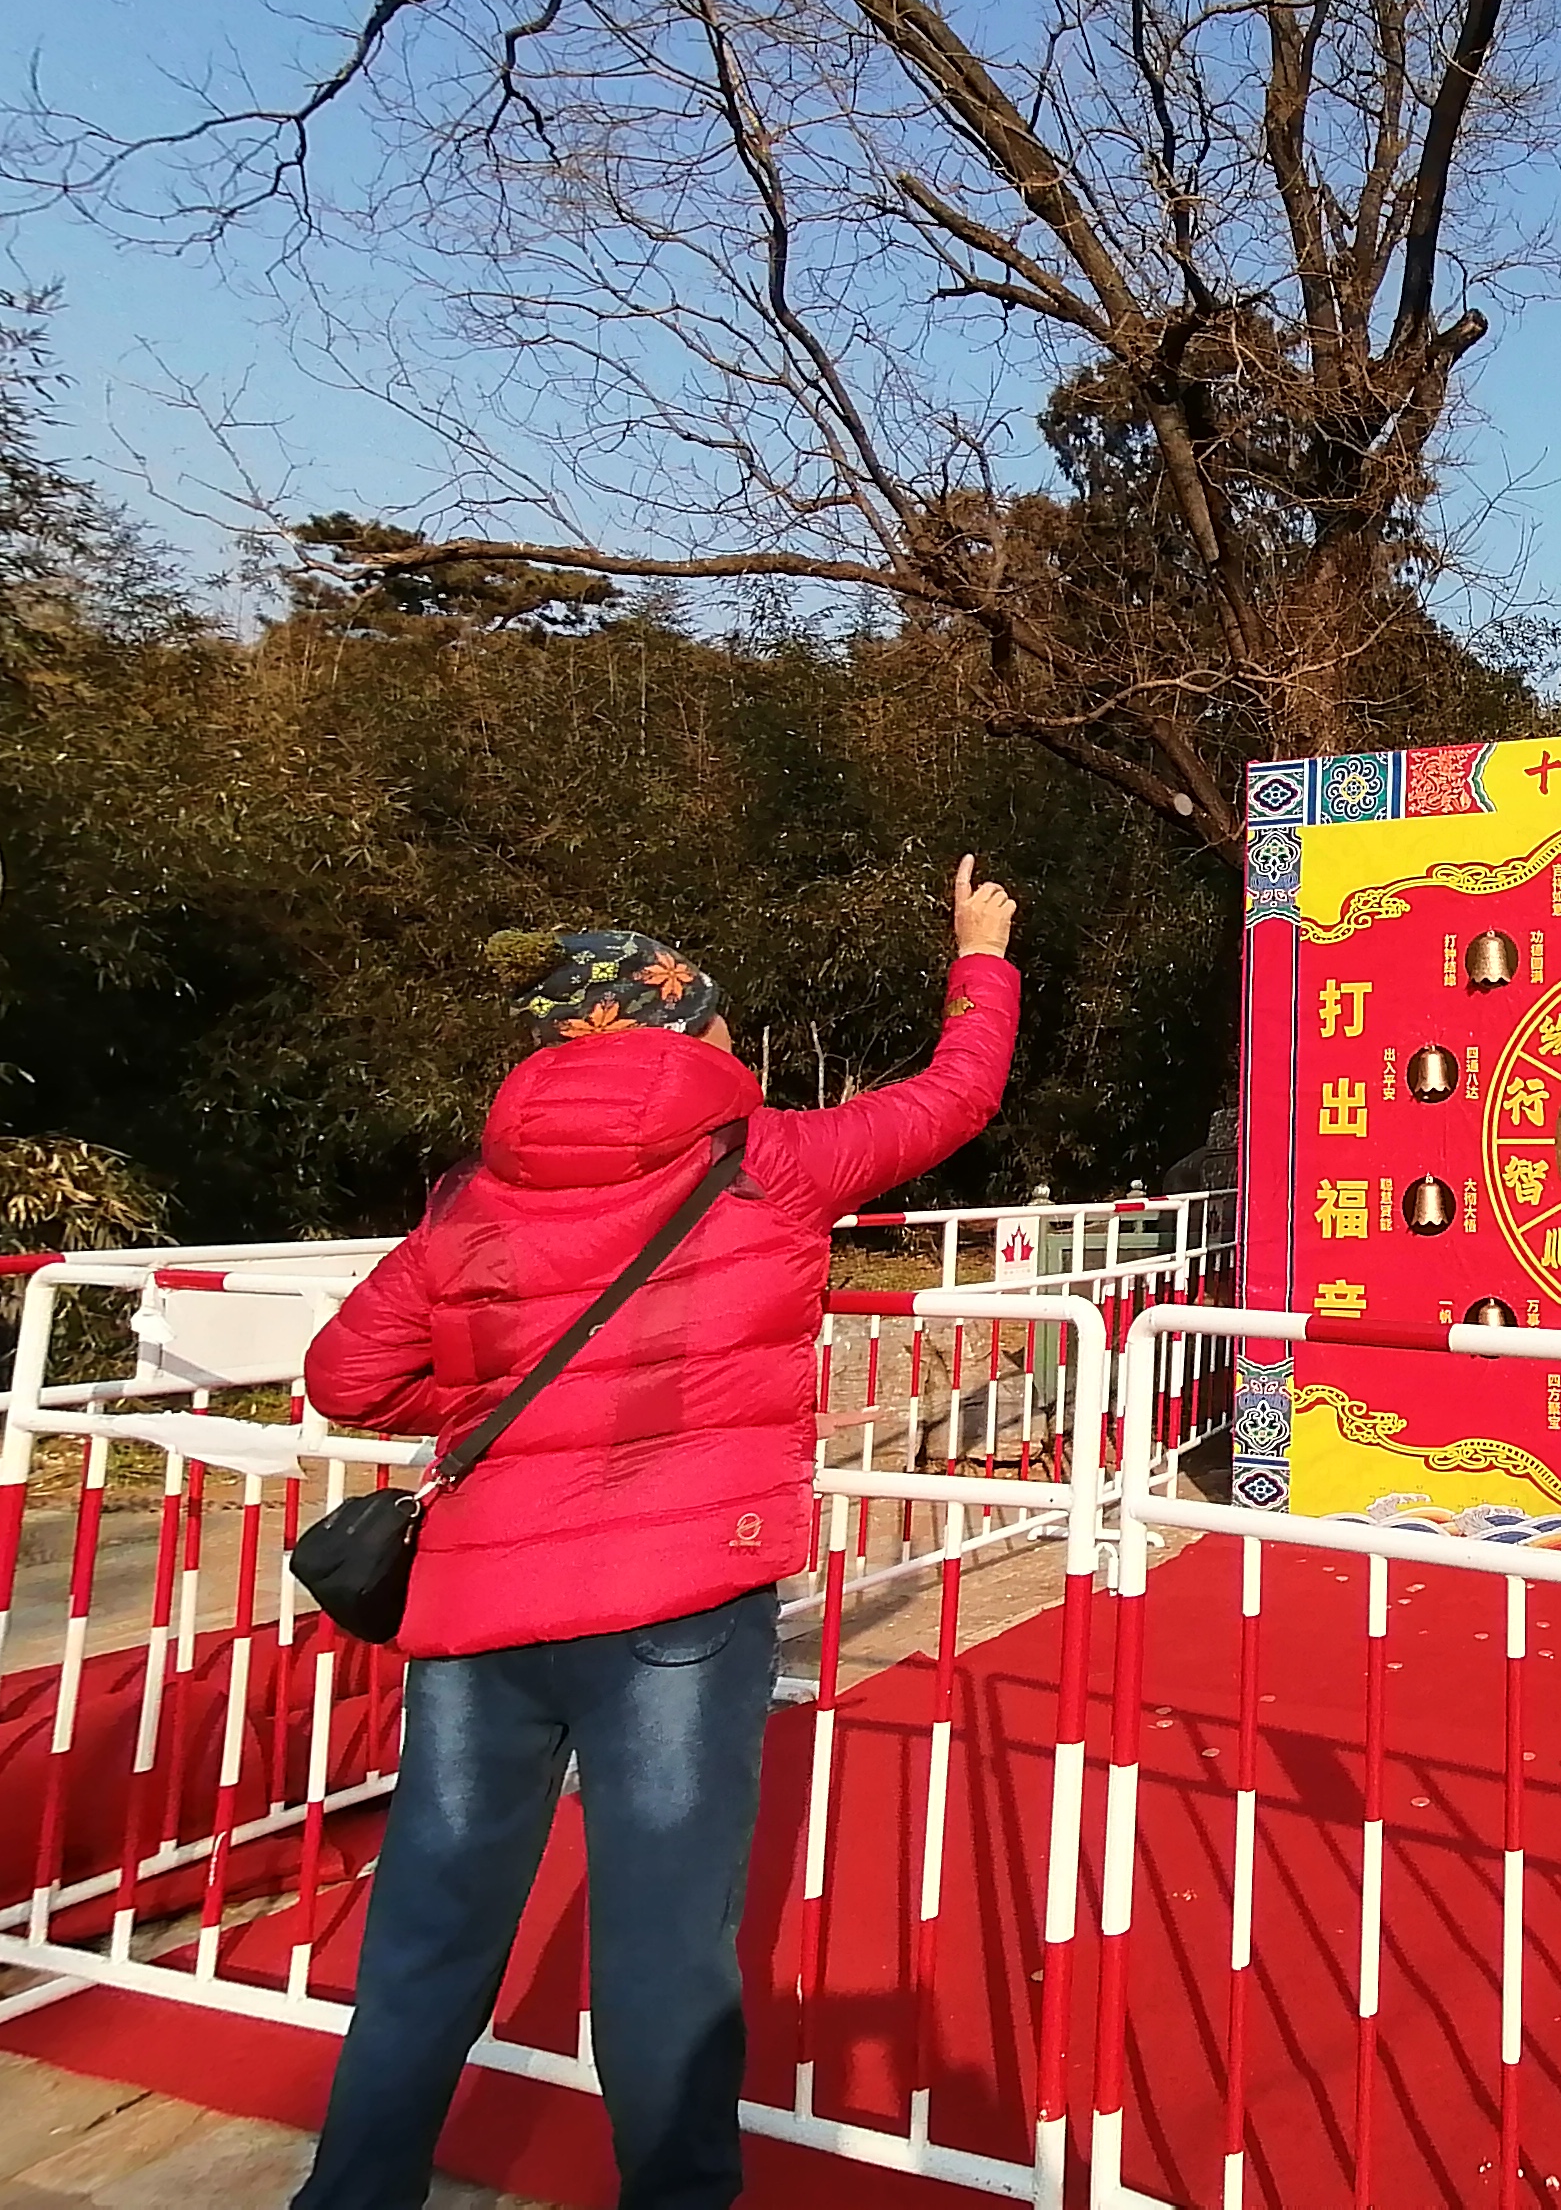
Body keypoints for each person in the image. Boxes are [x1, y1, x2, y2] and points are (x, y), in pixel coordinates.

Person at [289, 858, 1020, 2210]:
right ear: (683, 1030)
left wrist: (488, 1403)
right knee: (665, 1947)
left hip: (479, 1609)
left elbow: (348, 1377)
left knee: (429, 1936)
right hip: (678, 1603)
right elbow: (951, 1098)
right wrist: (979, 958)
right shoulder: (769, 1159)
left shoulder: (472, 1193)